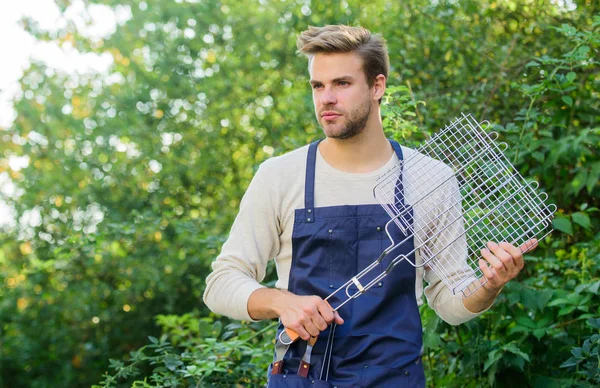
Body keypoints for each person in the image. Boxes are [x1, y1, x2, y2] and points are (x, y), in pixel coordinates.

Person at [203, 25, 535, 387]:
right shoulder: (281, 176)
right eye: (318, 86)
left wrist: (488, 286)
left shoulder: (431, 178)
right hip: (301, 377)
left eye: (341, 84)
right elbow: (221, 283)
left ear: (377, 86)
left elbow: (449, 299)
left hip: (395, 379)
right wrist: (280, 302)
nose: (326, 98)